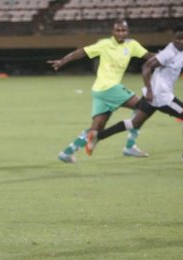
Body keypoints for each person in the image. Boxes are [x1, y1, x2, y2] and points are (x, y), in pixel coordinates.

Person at [86, 24, 183, 165]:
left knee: (134, 122)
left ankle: (97, 136)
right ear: (173, 38)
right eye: (179, 38)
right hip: (161, 96)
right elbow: (146, 66)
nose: (182, 41)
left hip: (154, 96)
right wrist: (149, 90)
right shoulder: (169, 53)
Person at [47, 19, 154, 163]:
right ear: (113, 32)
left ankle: (67, 153)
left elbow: (149, 57)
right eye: (118, 30)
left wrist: (169, 56)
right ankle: (130, 145)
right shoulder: (104, 44)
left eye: (124, 30)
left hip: (100, 91)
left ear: (127, 31)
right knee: (144, 107)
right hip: (108, 88)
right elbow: (82, 52)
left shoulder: (132, 45)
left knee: (96, 129)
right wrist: (62, 61)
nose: (121, 33)